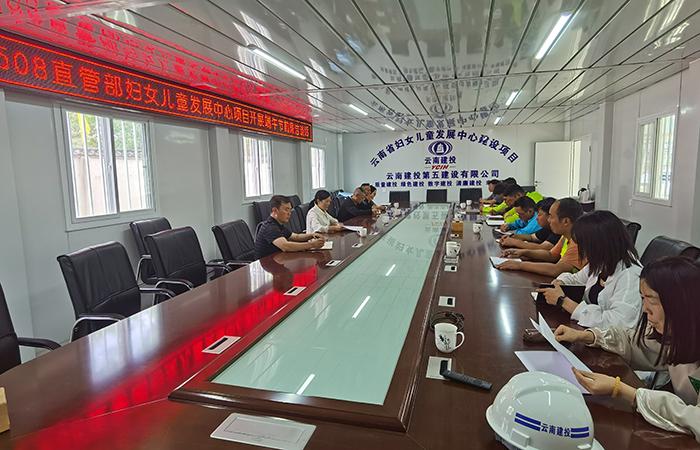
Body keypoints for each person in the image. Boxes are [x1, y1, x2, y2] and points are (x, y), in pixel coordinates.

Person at [554, 257, 700, 442]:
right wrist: (587, 336)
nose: (645, 309)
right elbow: (634, 343)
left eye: (651, 300)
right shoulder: (677, 335)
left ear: (680, 302)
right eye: (642, 299)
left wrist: (622, 391)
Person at [537, 210, 642, 328]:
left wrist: (563, 301)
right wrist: (560, 282)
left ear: (599, 244)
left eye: (584, 245)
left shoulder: (630, 276)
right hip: (588, 331)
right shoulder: (603, 262)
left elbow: (618, 323)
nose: (582, 251)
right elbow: (575, 279)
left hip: (605, 337)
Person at [497, 198, 585, 277]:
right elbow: (551, 255)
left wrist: (519, 265)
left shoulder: (578, 240)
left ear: (566, 221)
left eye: (551, 217)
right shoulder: (565, 236)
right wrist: (524, 252)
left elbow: (556, 270)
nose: (549, 220)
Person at [255, 195, 325, 259]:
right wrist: (312, 244)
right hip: (266, 264)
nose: (289, 213)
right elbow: (286, 246)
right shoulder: (270, 227)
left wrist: (312, 235)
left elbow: (296, 237)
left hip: (277, 260)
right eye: (286, 209)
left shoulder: (278, 225)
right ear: (275, 210)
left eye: (290, 210)